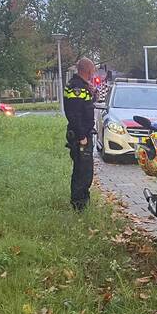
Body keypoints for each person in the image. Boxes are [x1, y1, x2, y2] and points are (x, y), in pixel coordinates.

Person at [64, 58, 96, 211]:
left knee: (85, 170)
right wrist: (82, 136)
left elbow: (86, 106)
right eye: (92, 70)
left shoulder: (81, 86)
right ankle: (79, 205)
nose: (93, 73)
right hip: (80, 136)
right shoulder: (76, 87)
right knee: (83, 171)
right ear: (87, 70)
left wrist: (92, 92)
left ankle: (82, 202)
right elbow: (74, 113)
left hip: (83, 133)